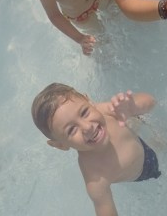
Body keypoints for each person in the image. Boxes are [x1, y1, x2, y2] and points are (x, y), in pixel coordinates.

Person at [31, 83, 160, 216]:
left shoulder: (105, 110)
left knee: (135, 121)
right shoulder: (95, 176)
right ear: (61, 145)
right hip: (145, 169)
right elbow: (105, 208)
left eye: (84, 112)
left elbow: (151, 101)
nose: (87, 127)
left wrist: (133, 108)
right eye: (71, 130)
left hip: (136, 139)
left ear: (89, 101)